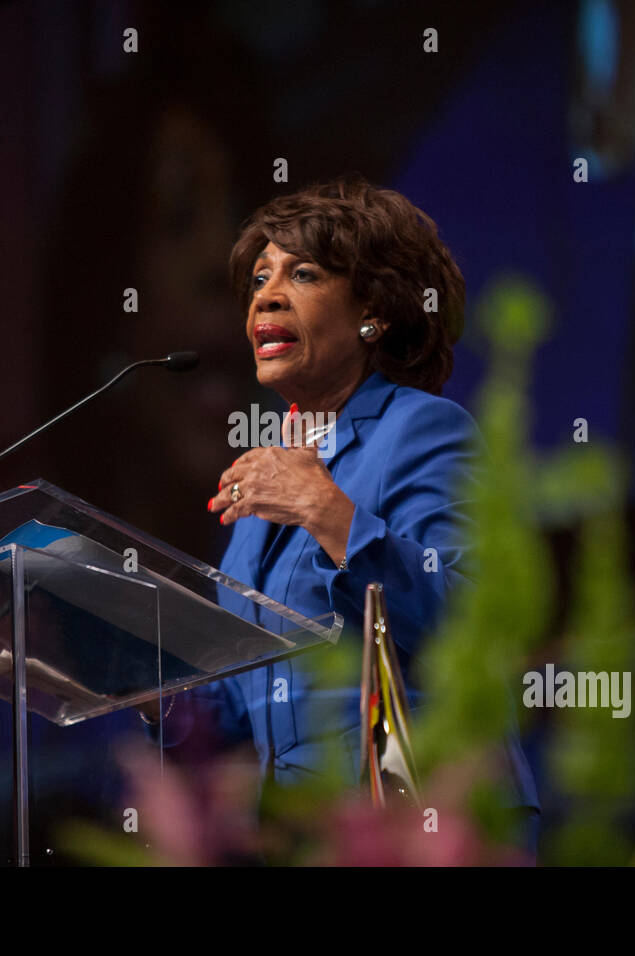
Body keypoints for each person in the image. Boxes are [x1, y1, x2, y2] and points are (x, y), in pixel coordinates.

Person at [141, 174, 540, 854]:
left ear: (373, 312)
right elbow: (241, 715)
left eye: (301, 273)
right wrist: (136, 676)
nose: (265, 295)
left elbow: (471, 628)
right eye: (259, 278)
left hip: (428, 825)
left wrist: (326, 510)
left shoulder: (422, 430)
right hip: (307, 839)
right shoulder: (258, 495)